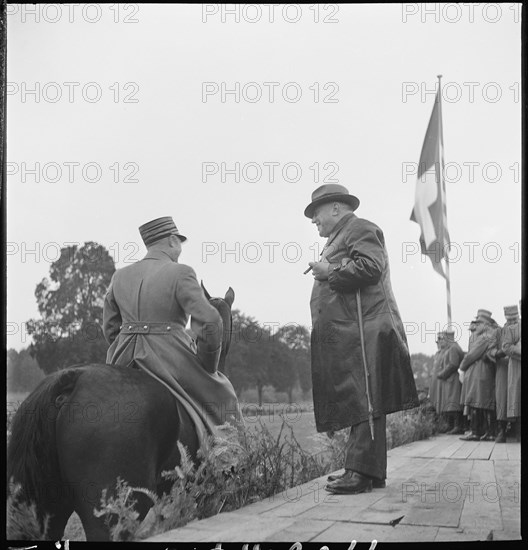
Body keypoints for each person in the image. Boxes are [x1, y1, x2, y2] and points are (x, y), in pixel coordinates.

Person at [304, 184, 419, 495]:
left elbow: (370, 267)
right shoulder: (342, 235)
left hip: (366, 328)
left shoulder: (360, 227)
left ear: (337, 208)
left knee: (365, 396)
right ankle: (368, 472)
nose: (314, 220)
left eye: (317, 213)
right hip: (355, 330)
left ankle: (360, 472)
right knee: (365, 397)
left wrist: (330, 270)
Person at [103, 216, 241, 446]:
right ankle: (230, 460)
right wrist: (208, 366)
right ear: (171, 241)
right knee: (224, 394)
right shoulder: (181, 272)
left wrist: (124, 344)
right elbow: (209, 321)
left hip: (123, 356)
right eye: (179, 243)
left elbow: (109, 327)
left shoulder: (119, 276)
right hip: (170, 357)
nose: (180, 249)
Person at [459, 309, 496, 441]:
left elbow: (471, 355)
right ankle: (484, 431)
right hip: (481, 371)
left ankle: (478, 432)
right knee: (480, 402)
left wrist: (461, 368)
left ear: (485, 324)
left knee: (477, 401)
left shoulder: (485, 336)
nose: (477, 325)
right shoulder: (487, 334)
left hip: (480, 372)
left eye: (479, 322)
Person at [436, 330, 465, 434]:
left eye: (443, 338)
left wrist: (442, 374)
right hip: (450, 379)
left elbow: (453, 364)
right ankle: (452, 425)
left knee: (455, 403)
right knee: (451, 403)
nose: (441, 340)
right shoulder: (452, 347)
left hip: (453, 379)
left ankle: (458, 426)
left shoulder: (453, 348)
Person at [502, 303, 521, 441]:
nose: (511, 322)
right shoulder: (508, 330)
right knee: (516, 398)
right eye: (509, 320)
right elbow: (506, 347)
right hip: (516, 366)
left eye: (514, 319)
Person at [429, 332, 446, 426]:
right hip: (434, 381)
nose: (439, 343)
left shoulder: (445, 353)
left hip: (441, 381)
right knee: (434, 401)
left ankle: (443, 422)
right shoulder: (437, 354)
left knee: (441, 401)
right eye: (438, 341)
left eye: (441, 340)